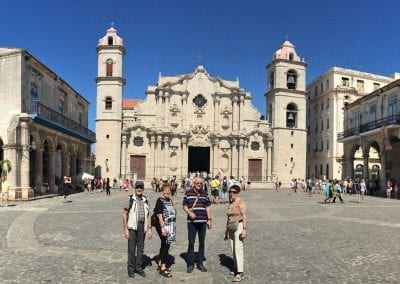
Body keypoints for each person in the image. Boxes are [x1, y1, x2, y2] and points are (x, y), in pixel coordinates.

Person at [122, 183, 153, 278]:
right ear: (135, 189)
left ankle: (138, 267)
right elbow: (124, 214)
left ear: (143, 189)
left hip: (142, 227)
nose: (139, 189)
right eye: (137, 187)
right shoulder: (130, 199)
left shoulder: (145, 200)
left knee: (140, 248)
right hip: (132, 227)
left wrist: (149, 229)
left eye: (141, 187)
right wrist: (126, 229)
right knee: (131, 249)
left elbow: (148, 216)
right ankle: (131, 269)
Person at [182, 176, 212, 273]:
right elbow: (184, 205)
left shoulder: (205, 193)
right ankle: (190, 263)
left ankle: (200, 263)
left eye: (201, 183)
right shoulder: (188, 193)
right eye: (197, 183)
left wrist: (209, 219)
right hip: (192, 222)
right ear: (193, 183)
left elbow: (208, 207)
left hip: (203, 222)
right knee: (191, 243)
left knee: (202, 243)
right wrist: (189, 213)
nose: (199, 184)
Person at [224, 184, 247, 282]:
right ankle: (235, 268)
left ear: (238, 193)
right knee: (233, 249)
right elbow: (228, 218)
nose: (232, 194)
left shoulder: (240, 202)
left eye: (234, 192)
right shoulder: (231, 203)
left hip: (239, 226)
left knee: (238, 249)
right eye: (230, 192)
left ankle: (240, 273)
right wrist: (226, 231)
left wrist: (244, 229)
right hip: (231, 227)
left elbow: (244, 216)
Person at [154, 184, 176, 277]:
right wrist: (162, 227)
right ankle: (163, 267)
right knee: (166, 244)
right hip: (163, 226)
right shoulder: (160, 200)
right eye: (165, 190)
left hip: (170, 226)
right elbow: (159, 214)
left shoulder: (169, 200)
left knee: (165, 244)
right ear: (162, 191)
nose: (167, 192)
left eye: (168, 191)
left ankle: (160, 263)